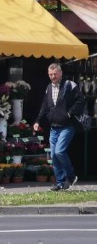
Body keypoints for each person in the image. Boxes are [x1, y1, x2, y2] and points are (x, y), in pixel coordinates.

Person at [33, 62, 84, 191]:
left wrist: (70, 112)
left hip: (67, 126)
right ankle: (60, 182)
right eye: (50, 74)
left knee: (59, 151)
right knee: (54, 156)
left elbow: (81, 100)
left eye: (55, 74)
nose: (53, 76)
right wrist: (37, 121)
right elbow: (45, 105)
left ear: (61, 73)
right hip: (54, 127)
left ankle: (71, 177)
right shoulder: (49, 87)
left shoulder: (69, 85)